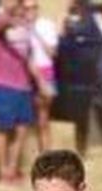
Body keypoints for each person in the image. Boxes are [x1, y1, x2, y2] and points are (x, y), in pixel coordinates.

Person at [0, 0, 39, 185]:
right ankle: (2, 172)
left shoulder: (23, 22)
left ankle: (12, 168)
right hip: (1, 82)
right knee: (2, 127)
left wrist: (39, 81)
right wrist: (9, 14)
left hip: (23, 84)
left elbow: (28, 55)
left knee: (22, 127)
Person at [53, 0, 102, 151]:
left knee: (99, 112)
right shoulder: (79, 21)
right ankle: (90, 147)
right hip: (84, 76)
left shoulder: (92, 21)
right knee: (85, 116)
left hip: (93, 74)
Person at [27, 0, 60, 152]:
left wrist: (35, 33)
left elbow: (52, 53)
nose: (30, 11)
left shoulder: (46, 25)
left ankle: (45, 152)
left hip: (45, 70)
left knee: (43, 118)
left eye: (33, 7)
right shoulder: (18, 25)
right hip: (24, 73)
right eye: (27, 8)